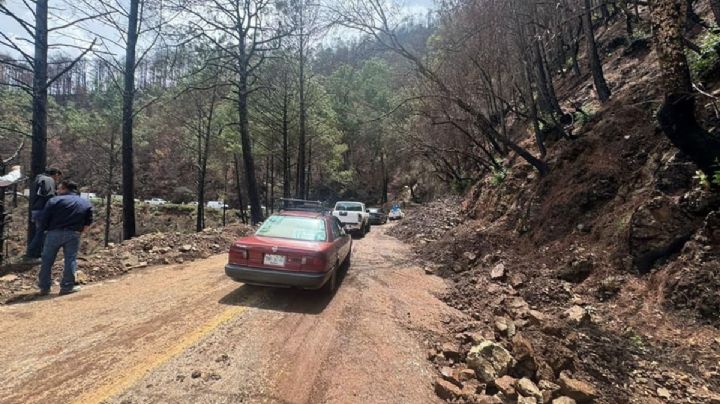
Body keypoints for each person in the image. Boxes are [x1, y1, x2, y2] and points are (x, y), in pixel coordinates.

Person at [37, 180, 93, 295]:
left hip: (53, 233)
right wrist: (80, 232)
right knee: (70, 259)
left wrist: (44, 230)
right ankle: (67, 287)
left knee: (47, 260)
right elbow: (88, 222)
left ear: (64, 189)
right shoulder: (84, 202)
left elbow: (44, 218)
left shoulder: (54, 201)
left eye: (59, 188)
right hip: (73, 233)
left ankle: (44, 287)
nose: (57, 191)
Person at [26, 167, 63, 259]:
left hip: (36, 209)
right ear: (56, 174)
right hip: (44, 210)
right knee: (42, 233)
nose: (57, 180)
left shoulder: (38, 179)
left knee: (40, 232)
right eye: (58, 177)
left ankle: (36, 254)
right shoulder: (48, 180)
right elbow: (49, 195)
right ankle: (34, 254)